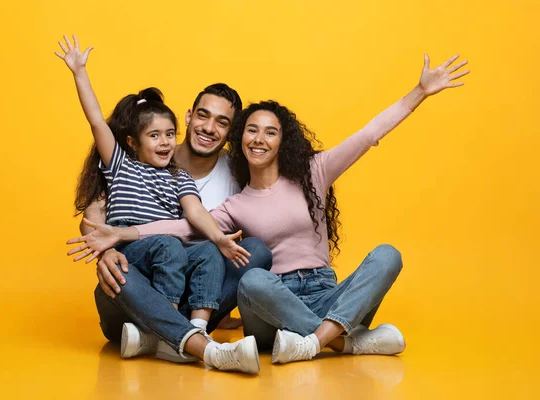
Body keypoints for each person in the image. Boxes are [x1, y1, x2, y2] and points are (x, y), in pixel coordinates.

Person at [68, 53, 469, 364]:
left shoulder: (310, 172)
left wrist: (418, 93)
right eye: (252, 130)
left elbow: (368, 136)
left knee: (383, 256)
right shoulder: (219, 196)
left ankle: (314, 341)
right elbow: (177, 225)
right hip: (253, 298)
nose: (258, 138)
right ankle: (345, 342)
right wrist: (113, 239)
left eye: (270, 131)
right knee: (253, 279)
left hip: (318, 291)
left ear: (279, 140)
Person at [56, 35, 266, 374]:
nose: (164, 141)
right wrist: (80, 73)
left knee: (228, 250)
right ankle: (198, 345)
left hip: (178, 269)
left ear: (231, 131)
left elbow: (194, 213)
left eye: (168, 134)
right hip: (133, 279)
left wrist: (219, 239)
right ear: (133, 141)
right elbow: (96, 123)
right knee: (162, 249)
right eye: (155, 136)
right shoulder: (121, 164)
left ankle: (184, 332)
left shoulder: (184, 176)